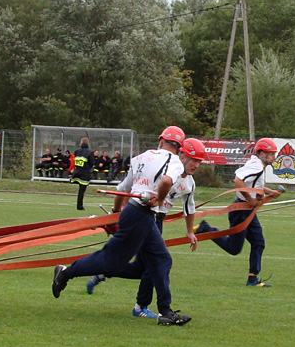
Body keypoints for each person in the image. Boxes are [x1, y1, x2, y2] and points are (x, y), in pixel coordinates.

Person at [51, 126, 192, 326]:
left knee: (162, 259)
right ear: (179, 147)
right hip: (141, 215)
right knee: (110, 262)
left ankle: (166, 312)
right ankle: (65, 273)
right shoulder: (174, 161)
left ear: (161, 141)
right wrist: (159, 199)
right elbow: (167, 181)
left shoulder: (142, 157)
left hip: (135, 213)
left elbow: (122, 188)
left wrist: (116, 214)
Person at [87, 138, 205, 320]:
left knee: (141, 268)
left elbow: (189, 208)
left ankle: (104, 270)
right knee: (157, 264)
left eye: (199, 161)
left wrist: (190, 231)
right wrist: (122, 214)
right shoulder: (165, 170)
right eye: (193, 159)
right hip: (145, 217)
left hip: (157, 221)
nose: (196, 165)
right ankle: (143, 306)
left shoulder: (189, 183)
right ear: (182, 155)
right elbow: (133, 189)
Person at [195, 137, 282, 287]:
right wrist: (249, 199)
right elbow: (238, 180)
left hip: (247, 210)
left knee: (258, 242)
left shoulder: (257, 164)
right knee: (234, 248)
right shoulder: (257, 166)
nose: (274, 157)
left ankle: (252, 279)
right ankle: (205, 229)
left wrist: (270, 192)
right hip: (241, 210)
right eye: (271, 154)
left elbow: (252, 184)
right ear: (262, 153)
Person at [70, 138, 95, 210]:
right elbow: (92, 163)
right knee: (82, 190)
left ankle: (79, 205)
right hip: (85, 173)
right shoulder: (90, 152)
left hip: (77, 172)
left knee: (80, 190)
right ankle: (80, 206)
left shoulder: (77, 151)